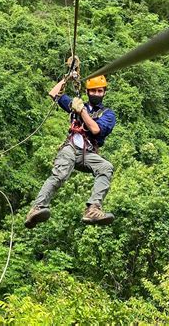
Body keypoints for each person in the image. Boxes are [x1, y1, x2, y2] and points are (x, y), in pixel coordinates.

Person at [25, 75, 116, 228]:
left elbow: (95, 129)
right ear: (88, 92)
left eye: (100, 91)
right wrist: (67, 77)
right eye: (93, 91)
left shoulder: (108, 114)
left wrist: (81, 111)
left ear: (104, 92)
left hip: (88, 153)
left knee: (106, 167)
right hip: (71, 148)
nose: (97, 94)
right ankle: (37, 208)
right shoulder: (77, 104)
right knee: (60, 174)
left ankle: (93, 209)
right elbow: (54, 92)